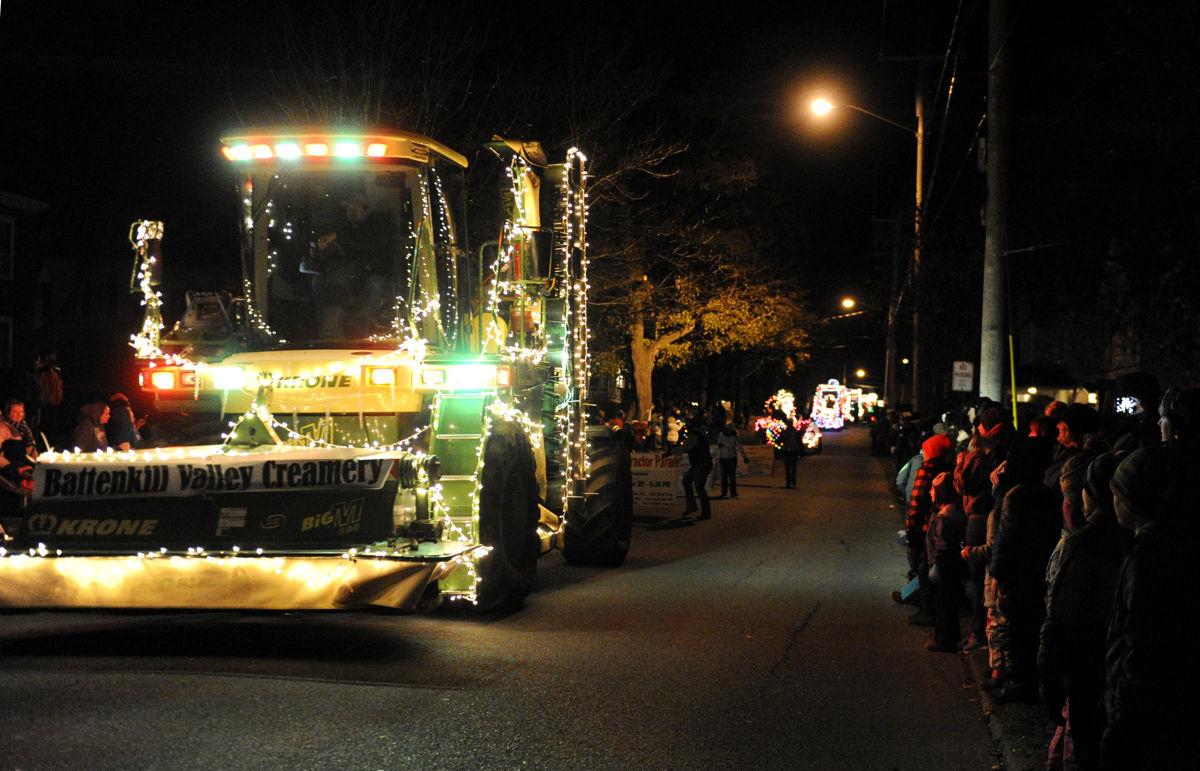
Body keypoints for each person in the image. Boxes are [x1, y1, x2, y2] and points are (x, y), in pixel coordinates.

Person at [1102, 444, 1200, 768]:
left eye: (1118, 493)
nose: (1112, 500)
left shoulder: (1148, 560)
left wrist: (1119, 719)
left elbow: (1142, 648)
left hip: (1146, 718)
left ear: (1134, 500)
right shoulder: (1166, 547)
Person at [1038, 451, 1130, 771]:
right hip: (1120, 672)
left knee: (1088, 747)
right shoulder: (1138, 540)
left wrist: (1049, 678)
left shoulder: (1084, 543)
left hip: (1089, 666)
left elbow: (1061, 617)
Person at [989, 435, 1059, 703]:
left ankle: (1019, 683)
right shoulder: (1047, 494)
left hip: (1017, 573)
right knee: (1031, 628)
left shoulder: (1016, 496)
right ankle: (1025, 680)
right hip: (1038, 570)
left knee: (1017, 629)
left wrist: (998, 571)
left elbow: (1005, 539)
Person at [954, 406, 1013, 652]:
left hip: (979, 516)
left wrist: (960, 464)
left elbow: (964, 484)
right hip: (1000, 511)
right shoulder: (1011, 446)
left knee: (976, 574)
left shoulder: (980, 453)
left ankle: (979, 632)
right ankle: (988, 632)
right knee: (990, 574)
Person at [925, 471, 967, 652]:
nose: (930, 493)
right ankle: (949, 636)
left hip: (944, 568)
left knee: (944, 604)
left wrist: (936, 566)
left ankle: (945, 640)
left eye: (933, 490)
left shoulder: (946, 518)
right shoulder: (949, 513)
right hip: (947, 567)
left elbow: (942, 546)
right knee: (947, 603)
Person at [673, 413, 713, 520]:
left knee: (699, 487)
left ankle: (705, 512)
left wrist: (671, 452)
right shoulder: (699, 434)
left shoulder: (694, 436)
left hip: (701, 464)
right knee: (687, 481)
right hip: (700, 464)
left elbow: (684, 448)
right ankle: (692, 506)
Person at [0, 399, 38, 470]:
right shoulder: (2, 429)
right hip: (9, 471)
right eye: (15, 412)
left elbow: (32, 449)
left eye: (21, 412)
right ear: (8, 413)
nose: (19, 414)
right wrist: (12, 469)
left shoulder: (25, 429)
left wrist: (35, 464)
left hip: (26, 467)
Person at [715, 423, 749, 498]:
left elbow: (740, 447)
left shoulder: (734, 437)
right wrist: (719, 445)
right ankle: (724, 492)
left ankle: (733, 492)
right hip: (723, 458)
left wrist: (744, 457)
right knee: (724, 477)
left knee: (731, 476)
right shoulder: (721, 435)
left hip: (731, 458)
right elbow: (718, 443)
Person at [780, 420, 801, 489]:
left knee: (789, 468)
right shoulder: (794, 432)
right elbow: (799, 442)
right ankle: (791, 483)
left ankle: (790, 483)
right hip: (791, 451)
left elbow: (781, 440)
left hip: (790, 451)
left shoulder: (786, 432)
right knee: (791, 468)